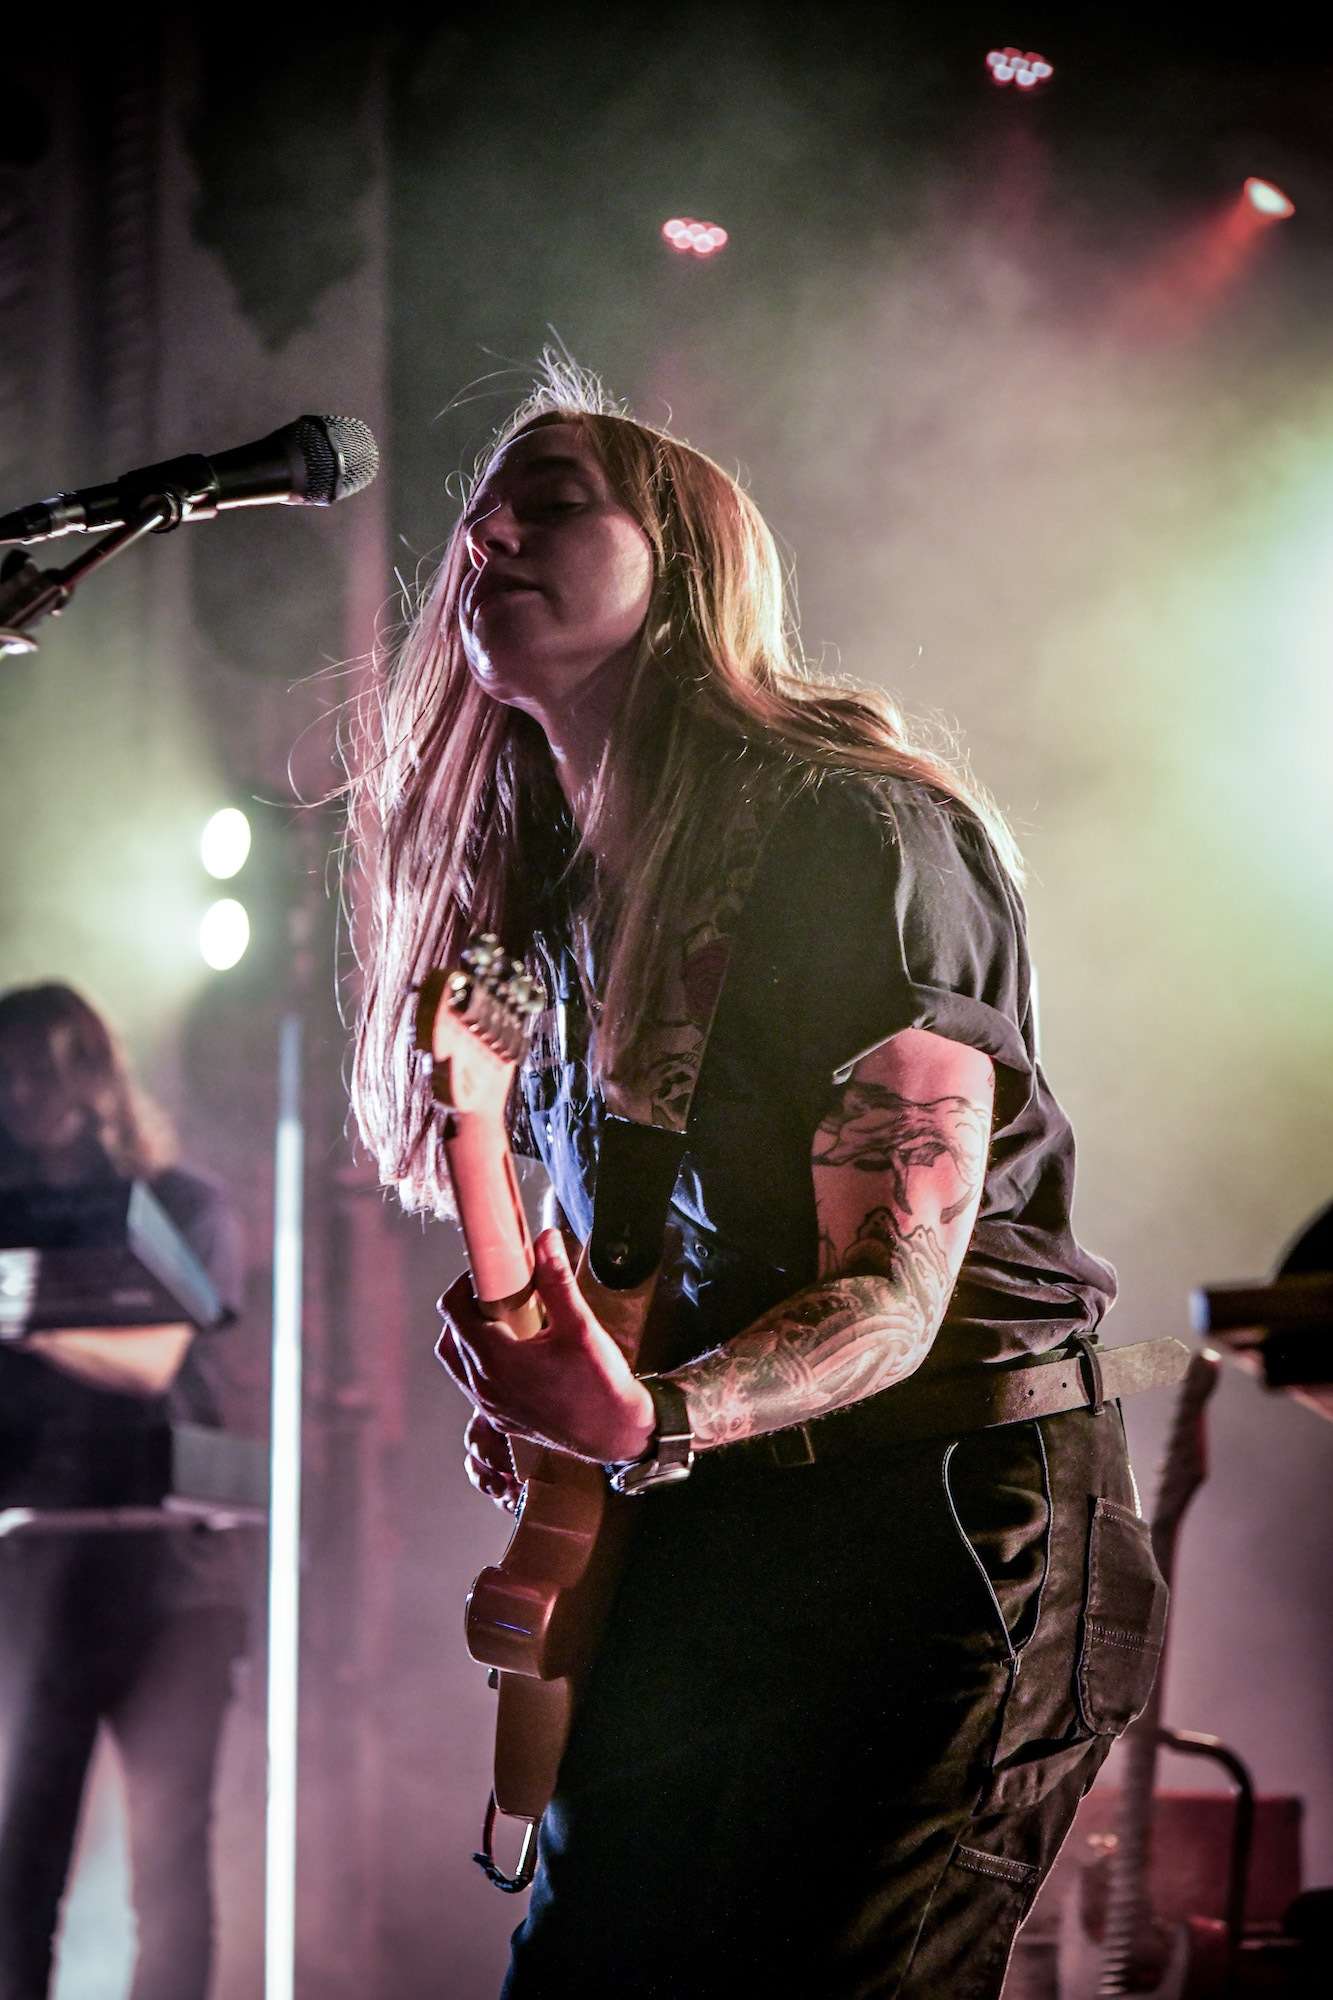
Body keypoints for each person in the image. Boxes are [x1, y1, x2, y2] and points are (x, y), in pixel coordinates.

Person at [349, 363, 1169, 1998]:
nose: (488, 534)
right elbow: (633, 1277)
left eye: (552, 503)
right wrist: (569, 1395)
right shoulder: (550, 905)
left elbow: (894, 1292)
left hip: (949, 1524)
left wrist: (652, 1413)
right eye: (478, 517)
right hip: (709, 1527)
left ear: (686, 566)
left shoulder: (852, 836)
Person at [0, 983, 246, 2000]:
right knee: (16, 1868)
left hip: (172, 1580)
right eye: (6, 1073)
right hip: (32, 1574)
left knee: (167, 1861)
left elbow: (152, 1358)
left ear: (96, 1073)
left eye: (44, 1067)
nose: (24, 1093)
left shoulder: (183, 1204)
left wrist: (20, 1318)